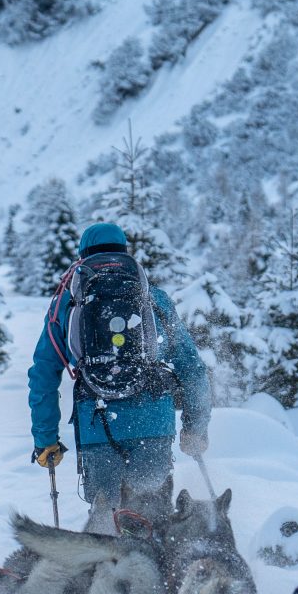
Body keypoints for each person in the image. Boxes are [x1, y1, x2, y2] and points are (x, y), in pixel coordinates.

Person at [28, 221, 210, 532]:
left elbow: (43, 374)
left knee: (106, 519)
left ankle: (106, 560)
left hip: (97, 424)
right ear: (125, 252)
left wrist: (46, 440)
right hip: (152, 423)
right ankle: (157, 562)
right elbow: (192, 368)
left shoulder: (67, 303)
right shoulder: (154, 299)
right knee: (152, 518)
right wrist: (196, 427)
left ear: (82, 257)